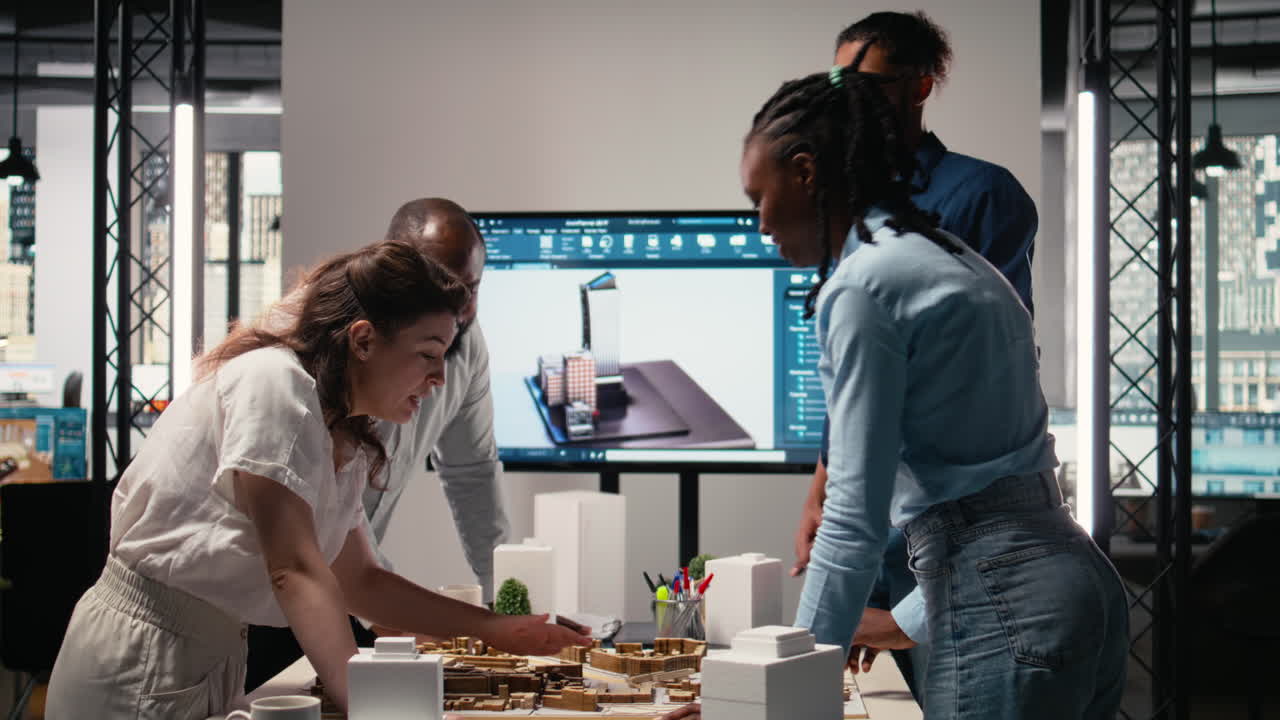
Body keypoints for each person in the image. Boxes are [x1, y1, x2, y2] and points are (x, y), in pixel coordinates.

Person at [667, 66, 1127, 720]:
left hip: (1001, 600)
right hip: (1075, 587)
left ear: (804, 172)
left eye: (756, 198)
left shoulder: (863, 286)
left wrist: (783, 692)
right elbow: (997, 495)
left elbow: (852, 514)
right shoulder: (952, 259)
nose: (760, 225)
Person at [46, 242, 590, 719]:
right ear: (363, 340)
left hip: (203, 653)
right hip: (142, 657)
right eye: (427, 354)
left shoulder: (343, 431)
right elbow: (295, 571)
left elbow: (360, 582)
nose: (440, 377)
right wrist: (366, 702)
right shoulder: (274, 383)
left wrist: (499, 628)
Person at [791, 11, 1040, 701]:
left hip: (949, 528)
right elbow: (857, 380)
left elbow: (988, 380)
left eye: (867, 83)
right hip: (870, 508)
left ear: (920, 86)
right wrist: (819, 492)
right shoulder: (852, 205)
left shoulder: (980, 194)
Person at [245, 198, 509, 689]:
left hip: (342, 586)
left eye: (470, 289)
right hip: (265, 602)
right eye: (427, 355)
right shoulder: (300, 362)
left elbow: (472, 471)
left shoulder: (464, 345)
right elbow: (297, 568)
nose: (459, 308)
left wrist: (504, 600)